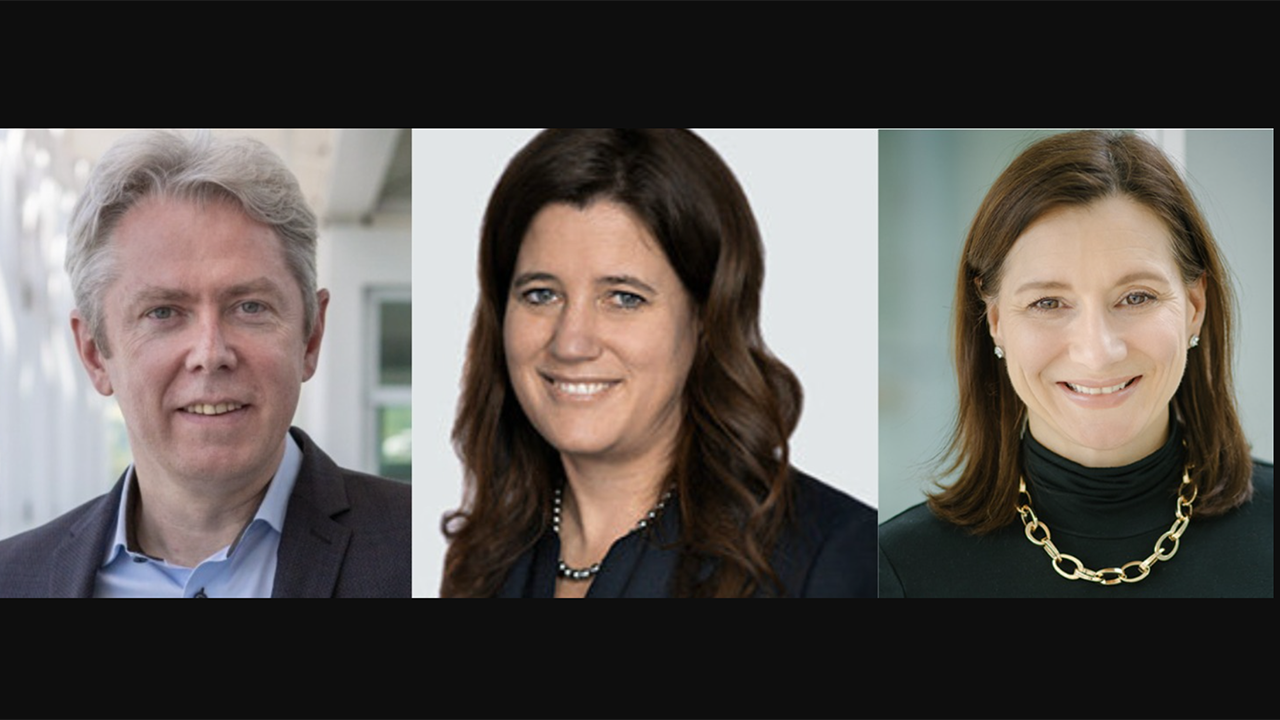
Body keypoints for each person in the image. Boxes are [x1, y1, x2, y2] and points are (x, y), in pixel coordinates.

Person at [441, 128, 876, 598]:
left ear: (707, 317)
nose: (571, 343)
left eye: (624, 298)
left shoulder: (835, 558)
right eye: (541, 294)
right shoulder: (483, 559)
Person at [0, 130, 411, 598]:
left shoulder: (433, 554)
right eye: (163, 312)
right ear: (95, 353)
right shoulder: (13, 580)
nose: (211, 354)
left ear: (310, 337)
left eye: (250, 307)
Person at [878, 130, 1273, 597]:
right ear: (997, 320)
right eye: (1048, 303)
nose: (1098, 351)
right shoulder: (893, 571)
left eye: (1136, 297)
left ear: (1194, 306)